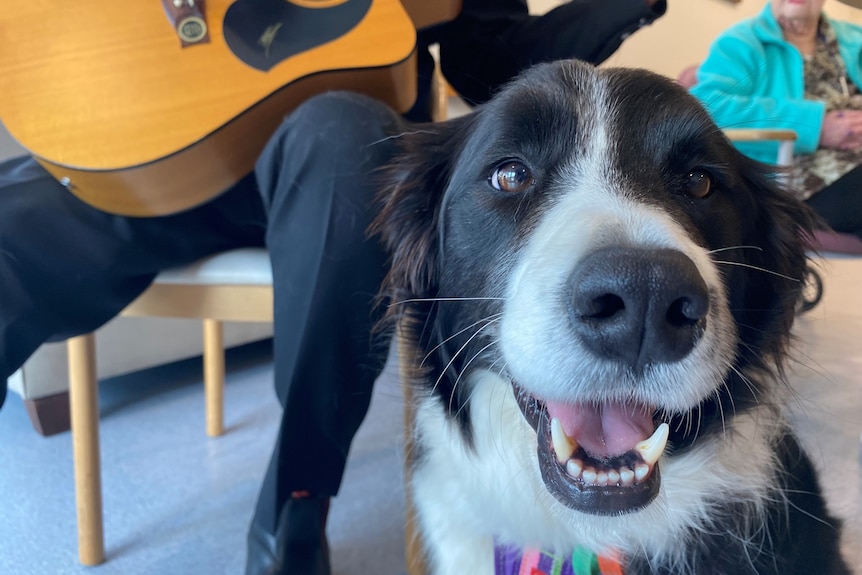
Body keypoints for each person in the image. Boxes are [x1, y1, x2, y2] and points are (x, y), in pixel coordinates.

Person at [0, 1, 667, 574]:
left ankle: (294, 507)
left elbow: (495, 66)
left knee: (350, 136)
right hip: (145, 150)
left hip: (328, 168)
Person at [689, 0, 862, 240]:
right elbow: (707, 105)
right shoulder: (743, 41)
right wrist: (816, 126)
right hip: (803, 184)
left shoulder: (853, 37)